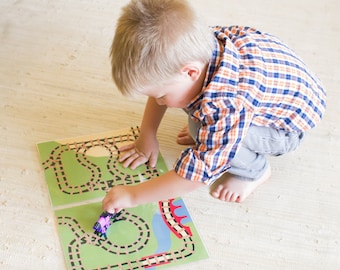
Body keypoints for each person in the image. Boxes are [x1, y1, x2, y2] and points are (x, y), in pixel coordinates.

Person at [102, 0, 326, 213]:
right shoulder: (192, 46)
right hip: (274, 89)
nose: (159, 101)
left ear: (191, 72)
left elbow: (195, 175)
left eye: (160, 96)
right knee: (189, 111)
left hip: (286, 130)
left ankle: (254, 172)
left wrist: (133, 195)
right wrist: (147, 134)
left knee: (203, 131)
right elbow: (164, 85)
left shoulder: (226, 106)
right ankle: (207, 129)